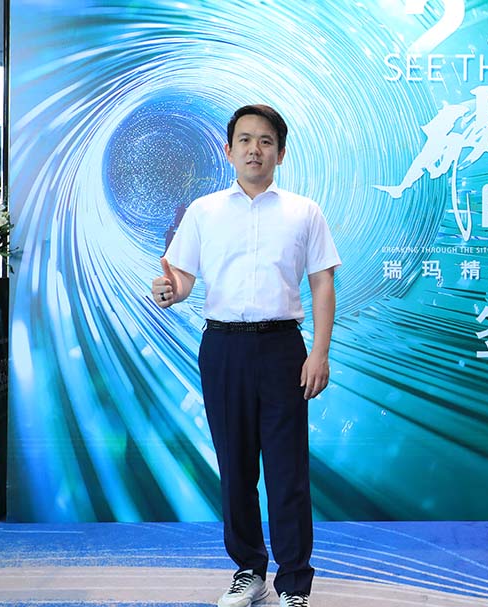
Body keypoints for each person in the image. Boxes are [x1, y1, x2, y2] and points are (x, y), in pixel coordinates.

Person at [152, 104, 340, 607]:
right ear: (228, 149)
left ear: (281, 152)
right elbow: (182, 278)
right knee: (235, 468)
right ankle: (249, 571)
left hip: (283, 348)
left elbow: (323, 283)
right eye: (245, 140)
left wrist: (319, 353)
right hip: (223, 348)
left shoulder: (304, 212)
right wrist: (169, 290)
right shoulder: (204, 211)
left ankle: (294, 583)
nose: (255, 149)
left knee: (287, 471)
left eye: (265, 141)